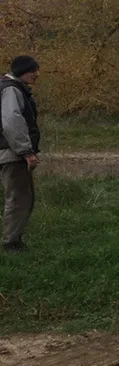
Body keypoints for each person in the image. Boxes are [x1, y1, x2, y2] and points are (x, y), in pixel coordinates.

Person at [0, 56, 41, 252]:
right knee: (18, 199)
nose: (36, 74)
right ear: (22, 71)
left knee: (20, 197)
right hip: (12, 153)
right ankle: (11, 243)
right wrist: (26, 151)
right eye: (33, 70)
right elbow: (12, 122)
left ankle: (13, 240)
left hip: (9, 151)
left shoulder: (10, 87)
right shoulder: (12, 89)